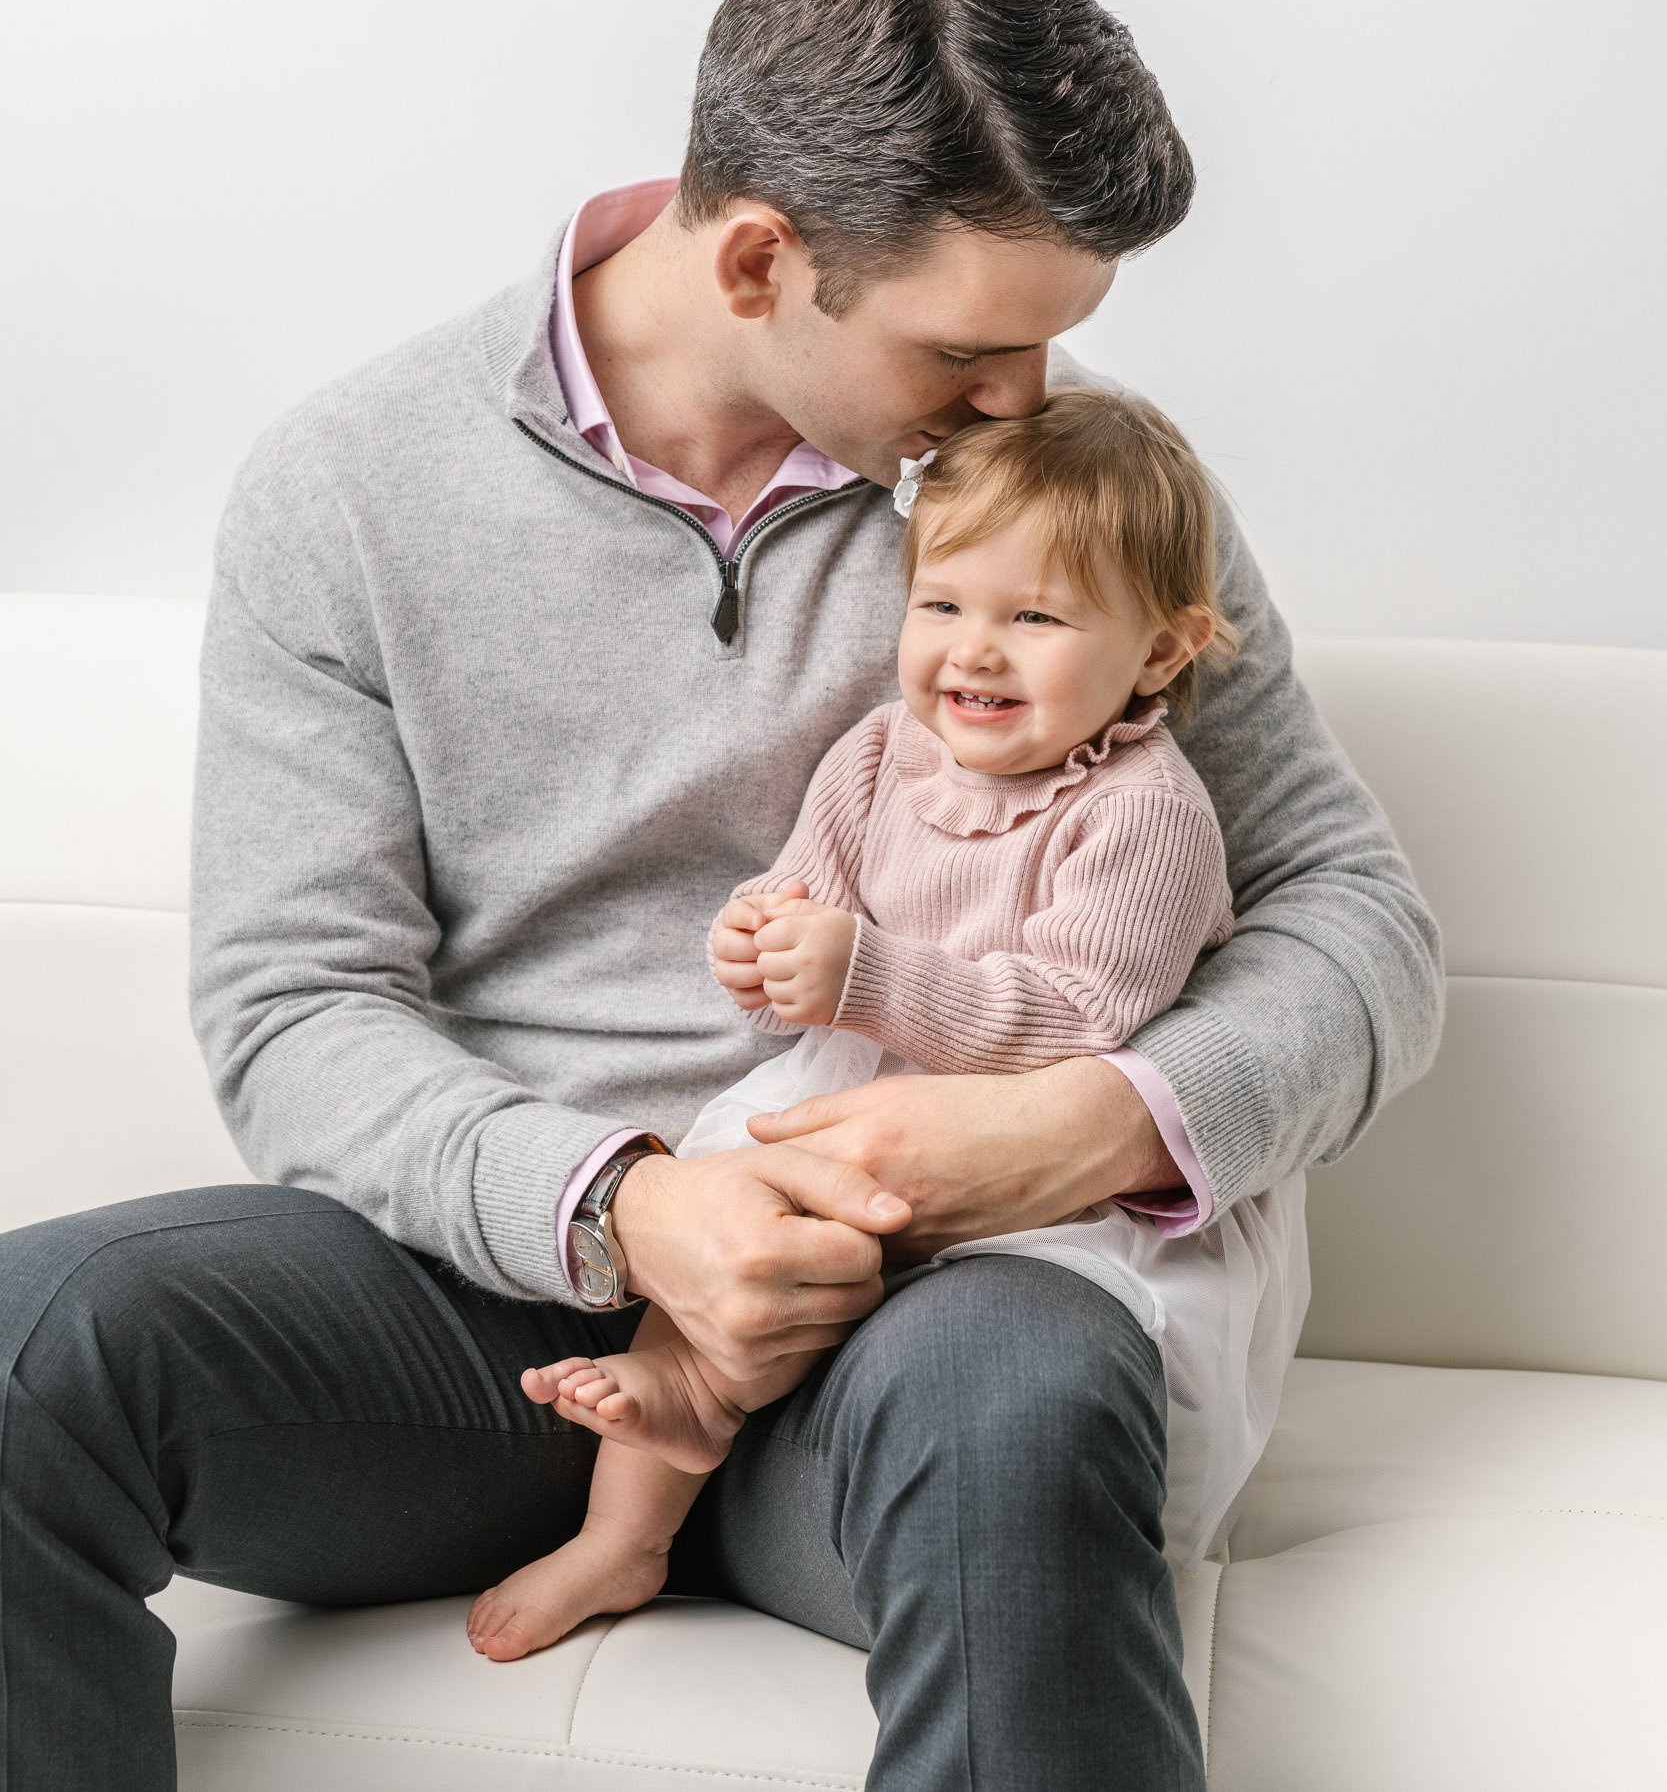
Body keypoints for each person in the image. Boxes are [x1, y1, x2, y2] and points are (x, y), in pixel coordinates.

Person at [0, 0, 1442, 1792]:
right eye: (964, 350)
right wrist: (625, 1206)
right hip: (491, 1321)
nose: (1022, 400)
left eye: (1046, 347)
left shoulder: (1075, 501)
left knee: (1019, 1400)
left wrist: (1099, 1122)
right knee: (27, 1353)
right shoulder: (349, 488)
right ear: (761, 256)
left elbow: (1357, 919)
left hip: (929, 1320)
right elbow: (296, 1006)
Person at [467, 388, 1312, 1663]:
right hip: (863, 1081)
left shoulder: (1144, 814)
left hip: (1038, 1162)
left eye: (1034, 617)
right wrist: (760, 944)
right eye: (943, 605)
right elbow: (806, 896)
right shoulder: (875, 756)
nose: (973, 651)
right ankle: (635, 1509)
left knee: (987, 1346)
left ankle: (975, 1511)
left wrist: (863, 973)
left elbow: (1079, 1018)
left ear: (1158, 651)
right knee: (723, 1210)